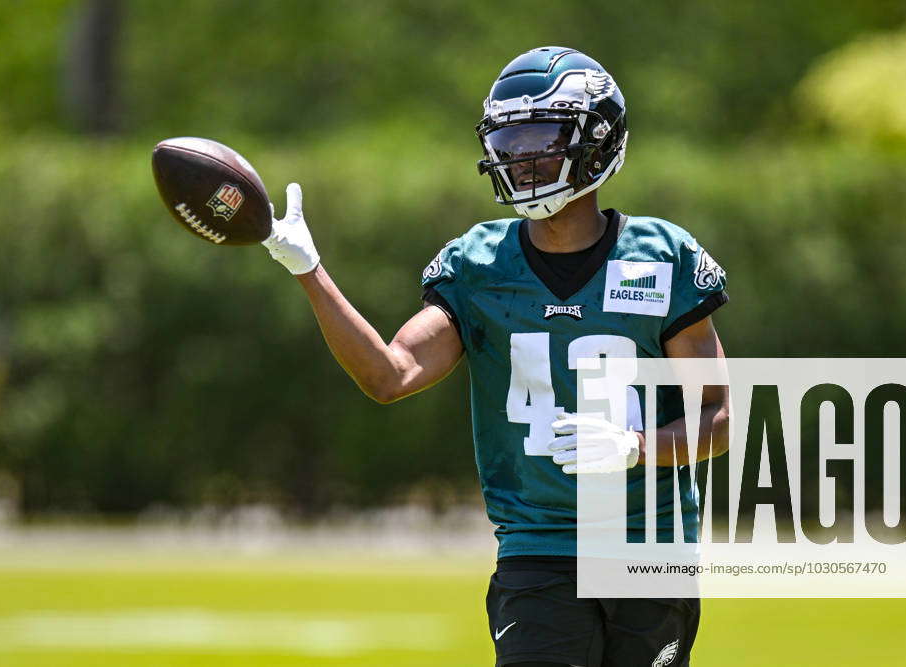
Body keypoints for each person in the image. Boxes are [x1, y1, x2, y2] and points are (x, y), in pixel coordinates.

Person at [263, 46, 730, 667]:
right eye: (508, 141)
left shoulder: (661, 255)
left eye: (540, 136)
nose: (521, 157)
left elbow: (720, 419)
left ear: (595, 141)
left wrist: (637, 446)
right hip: (536, 549)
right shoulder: (480, 263)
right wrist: (309, 270)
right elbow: (389, 375)